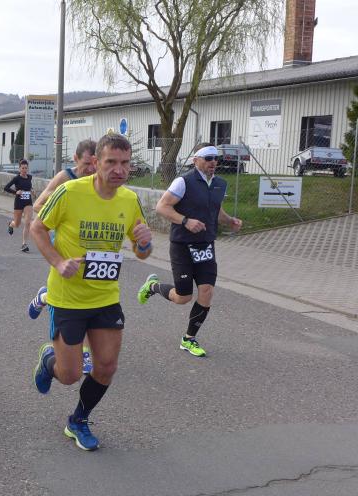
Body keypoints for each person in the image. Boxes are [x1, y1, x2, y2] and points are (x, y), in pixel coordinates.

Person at [30, 133, 153, 451]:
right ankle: (49, 360)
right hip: (67, 298)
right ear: (96, 162)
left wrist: (144, 242)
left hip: (105, 297)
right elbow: (37, 228)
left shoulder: (129, 200)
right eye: (111, 162)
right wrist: (58, 262)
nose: (119, 170)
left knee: (106, 367)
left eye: (125, 163)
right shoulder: (70, 192)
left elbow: (142, 252)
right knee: (70, 375)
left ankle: (78, 420)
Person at [137, 143, 242, 357]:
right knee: (183, 297)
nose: (213, 162)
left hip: (206, 245)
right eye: (208, 158)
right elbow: (162, 206)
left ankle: (189, 338)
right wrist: (185, 221)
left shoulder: (220, 184)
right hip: (183, 245)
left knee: (207, 290)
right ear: (196, 160)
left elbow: (216, 210)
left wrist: (230, 220)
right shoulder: (183, 181)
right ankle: (153, 286)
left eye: (216, 158)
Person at [26, 140, 99, 374]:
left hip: (90, 244)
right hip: (65, 244)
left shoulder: (100, 179)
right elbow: (38, 205)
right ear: (76, 159)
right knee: (73, 293)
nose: (91, 168)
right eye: (87, 163)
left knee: (87, 292)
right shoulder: (65, 178)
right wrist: (66, 215)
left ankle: (43, 297)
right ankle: (83, 353)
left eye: (95, 163)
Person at [4, 159, 34, 252]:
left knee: (28, 222)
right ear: (19, 169)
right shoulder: (16, 178)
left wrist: (32, 190)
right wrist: (16, 192)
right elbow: (6, 188)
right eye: (23, 168)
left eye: (26, 168)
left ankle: (24, 244)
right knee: (17, 224)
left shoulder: (30, 177)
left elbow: (29, 186)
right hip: (19, 202)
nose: (24, 170)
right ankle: (11, 224)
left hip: (28, 202)